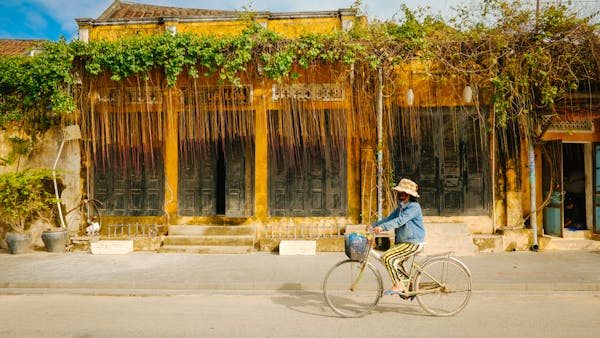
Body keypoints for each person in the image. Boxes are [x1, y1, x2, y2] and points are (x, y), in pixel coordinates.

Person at [367, 178, 425, 296]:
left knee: (387, 258)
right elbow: (390, 218)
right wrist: (374, 225)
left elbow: (399, 221)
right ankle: (408, 284)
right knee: (395, 263)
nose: (398, 194)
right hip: (404, 242)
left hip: (413, 243)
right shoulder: (401, 207)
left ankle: (398, 285)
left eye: (401, 192)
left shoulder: (414, 207)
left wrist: (382, 228)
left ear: (407, 194)